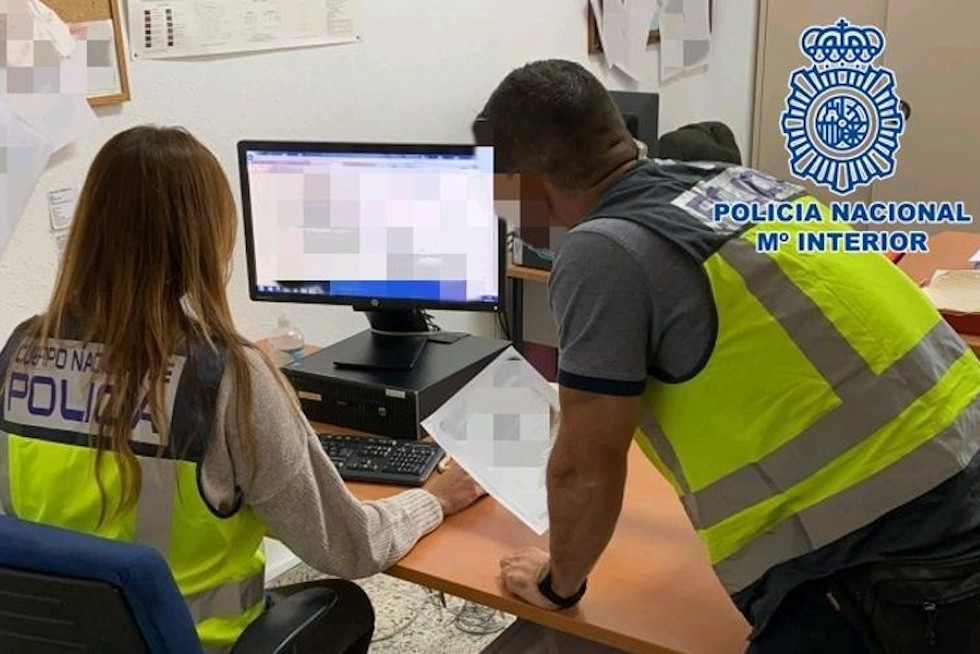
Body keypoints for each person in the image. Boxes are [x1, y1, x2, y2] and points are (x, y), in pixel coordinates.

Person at [482, 60, 980, 653]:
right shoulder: (731, 182)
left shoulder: (602, 250)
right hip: (956, 471)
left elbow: (586, 468)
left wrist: (557, 584)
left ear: (528, 184)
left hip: (890, 553)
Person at [0, 126, 485, 653]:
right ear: (205, 238)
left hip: (61, 639)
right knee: (346, 604)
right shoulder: (225, 375)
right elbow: (351, 547)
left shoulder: (21, 350)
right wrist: (434, 500)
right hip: (205, 641)